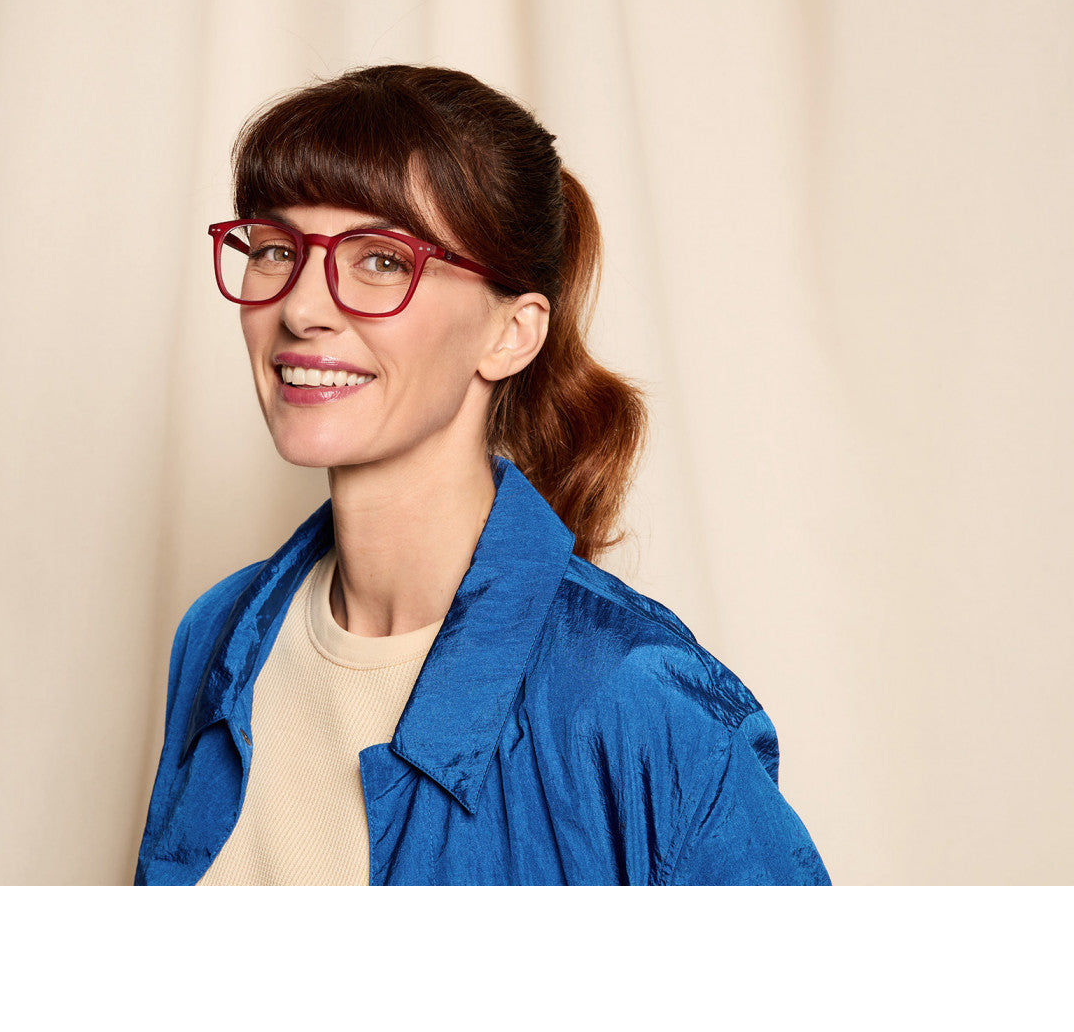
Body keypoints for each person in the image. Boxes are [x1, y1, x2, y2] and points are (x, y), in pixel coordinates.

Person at [134, 63, 831, 886]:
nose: (301, 307)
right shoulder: (219, 635)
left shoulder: (636, 700)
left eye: (381, 260)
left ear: (512, 333)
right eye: (276, 250)